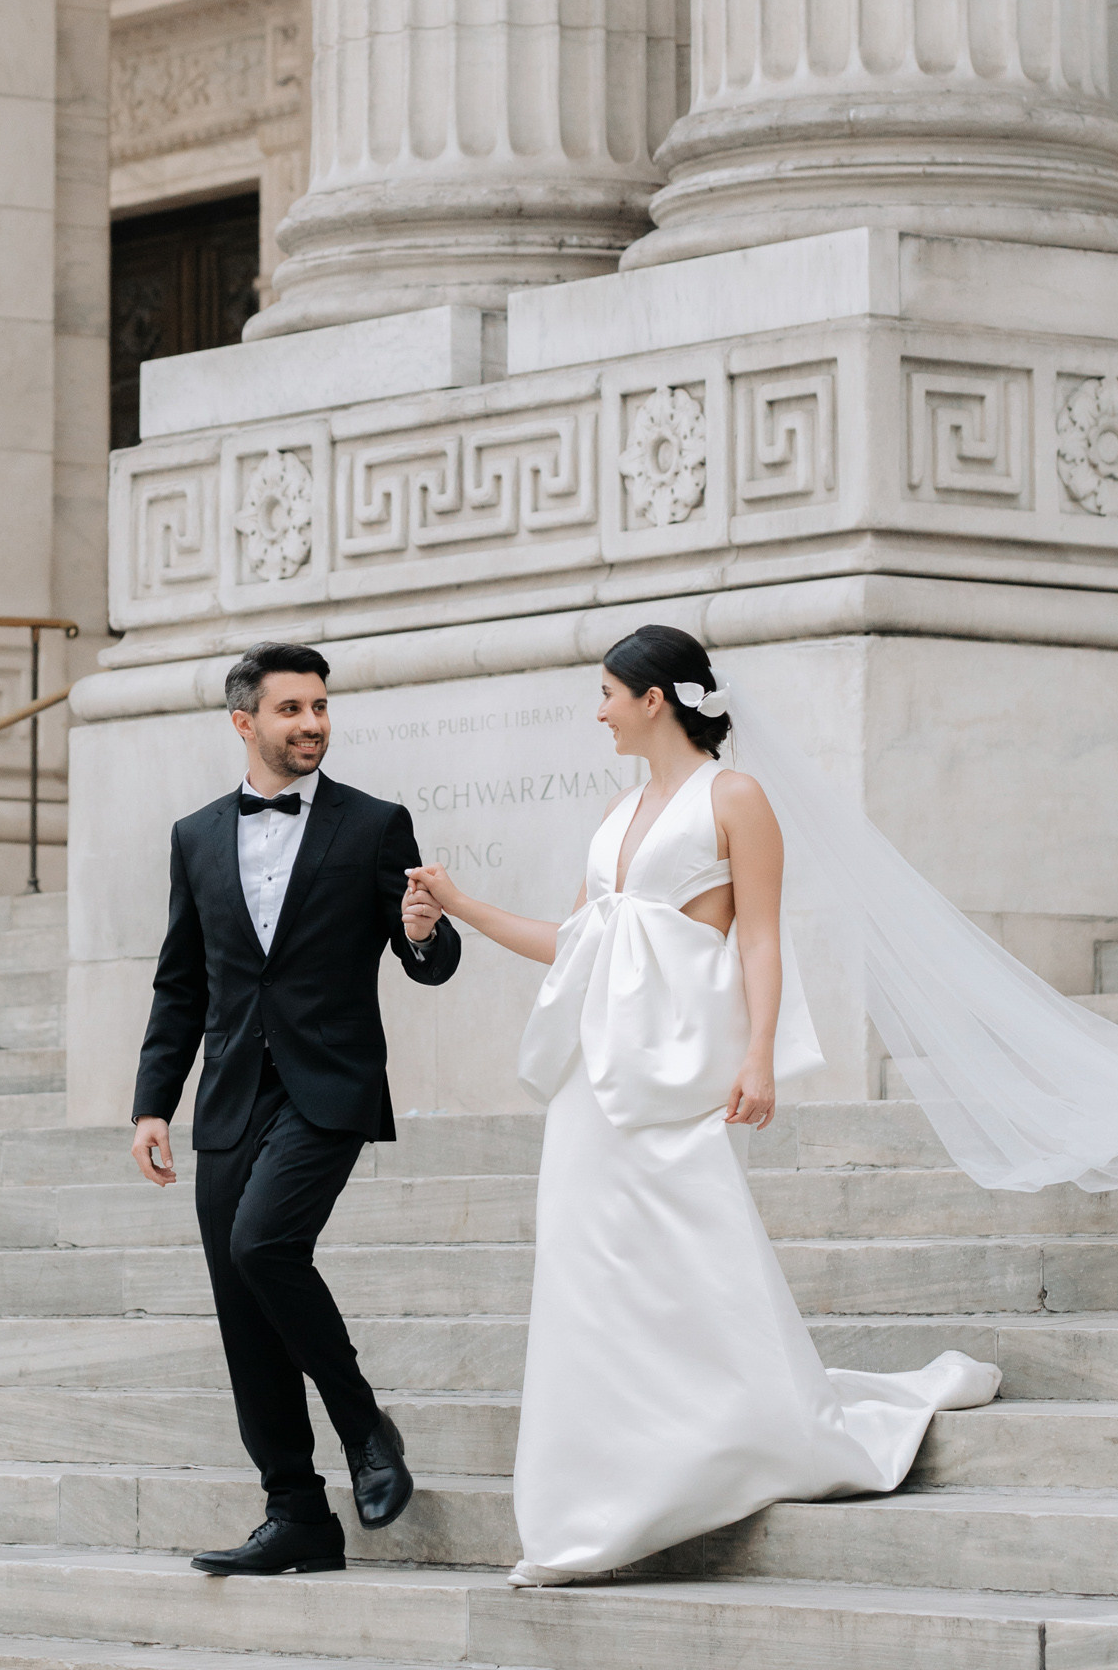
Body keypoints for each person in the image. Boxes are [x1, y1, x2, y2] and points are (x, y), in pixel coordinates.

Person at [406, 622, 1000, 1585]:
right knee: (587, 1273)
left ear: (654, 698)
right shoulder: (615, 812)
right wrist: (463, 904)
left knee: (696, 1255)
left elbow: (759, 941)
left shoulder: (737, 798)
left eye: (606, 693)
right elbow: (576, 942)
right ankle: (591, 1498)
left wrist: (759, 1057)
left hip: (680, 1073)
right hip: (593, 1082)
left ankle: (723, 1438)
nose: (596, 711)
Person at [129, 641, 462, 1577]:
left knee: (264, 1246)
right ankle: (297, 1517)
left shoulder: (373, 824)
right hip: (230, 1093)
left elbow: (429, 960)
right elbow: (181, 983)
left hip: (330, 1085)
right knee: (242, 1304)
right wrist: (152, 1104)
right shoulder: (196, 836)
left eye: (320, 707)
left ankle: (363, 1426)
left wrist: (424, 932)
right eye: (291, 710)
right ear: (245, 722)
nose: (312, 723)